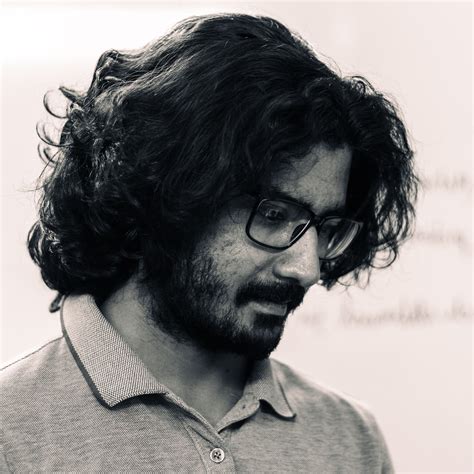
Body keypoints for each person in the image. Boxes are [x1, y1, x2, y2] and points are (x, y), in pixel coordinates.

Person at [1, 13, 417, 472]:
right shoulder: (11, 435)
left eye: (327, 228)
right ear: (164, 196)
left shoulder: (350, 440)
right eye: (273, 216)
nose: (307, 268)